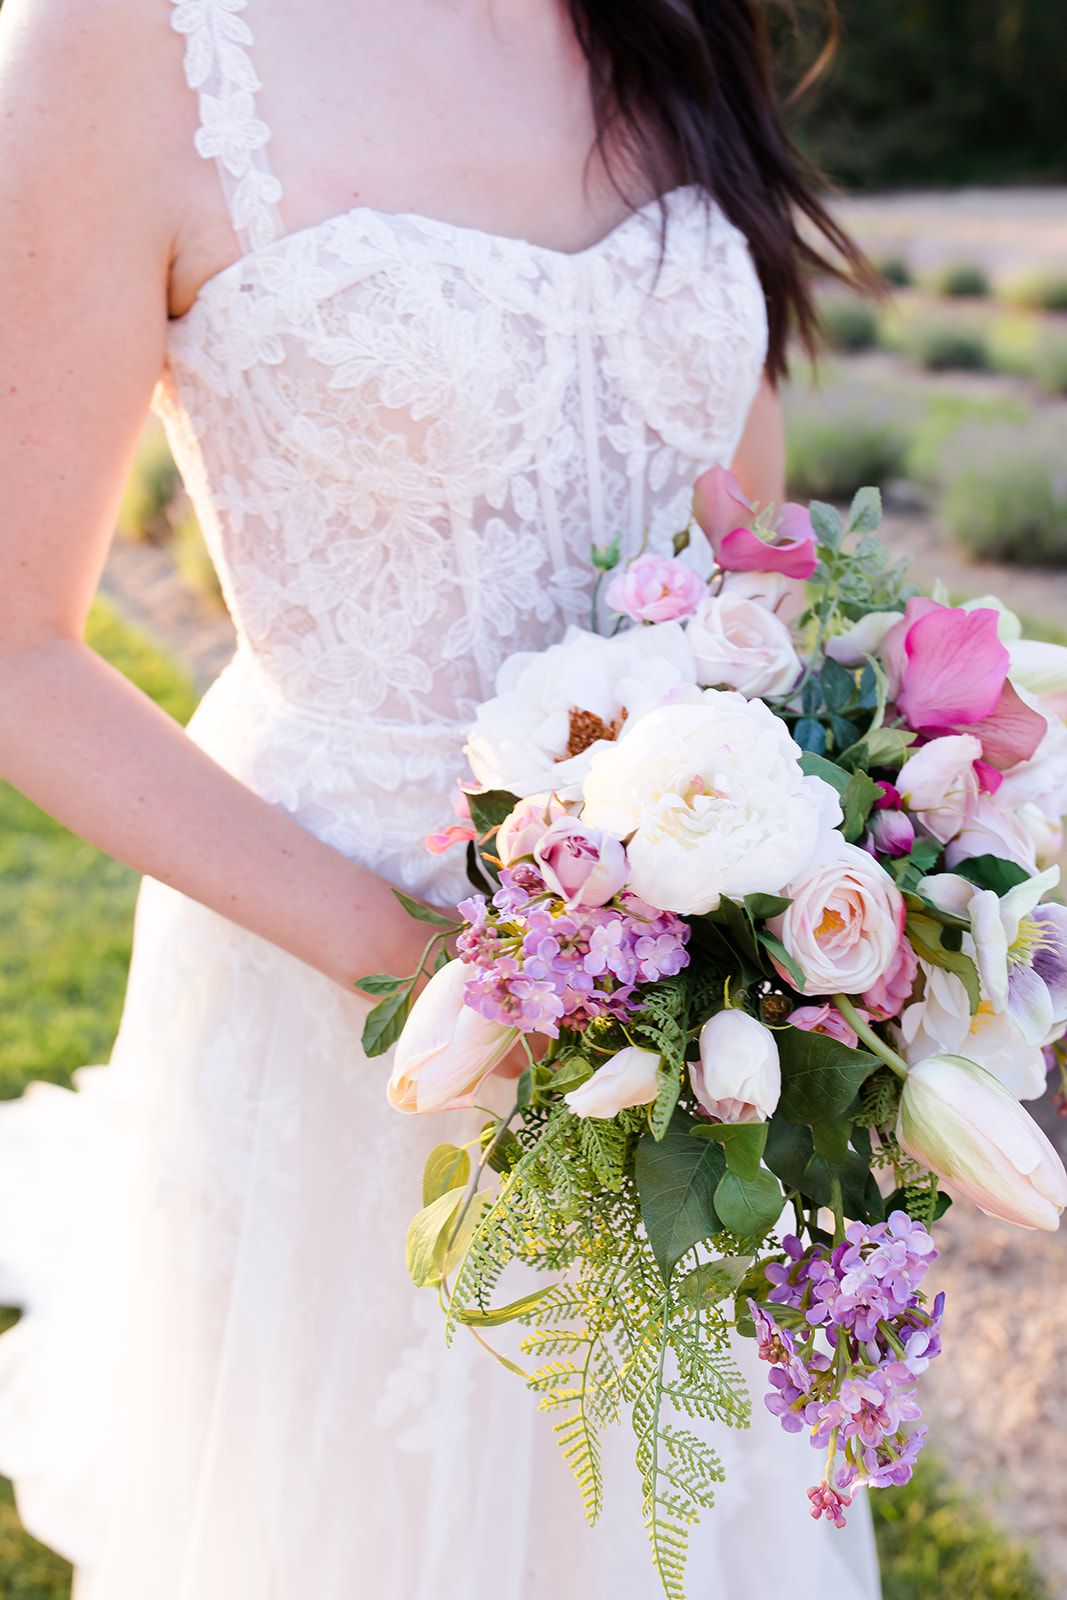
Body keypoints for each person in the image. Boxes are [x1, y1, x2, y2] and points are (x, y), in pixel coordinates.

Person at [0, 0, 882, 1594]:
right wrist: (451, 980)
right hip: (347, 988)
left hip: (687, 987)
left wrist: (850, 884)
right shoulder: (127, 43)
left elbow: (746, 559)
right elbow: (12, 652)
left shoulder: (672, 22)